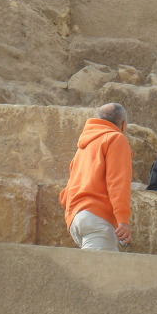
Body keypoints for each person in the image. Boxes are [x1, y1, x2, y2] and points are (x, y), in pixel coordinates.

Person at [59, 103, 133, 251]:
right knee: (101, 266)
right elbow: (117, 182)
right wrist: (123, 219)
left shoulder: (83, 147)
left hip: (76, 218)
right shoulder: (116, 138)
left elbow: (66, 193)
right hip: (97, 216)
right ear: (123, 125)